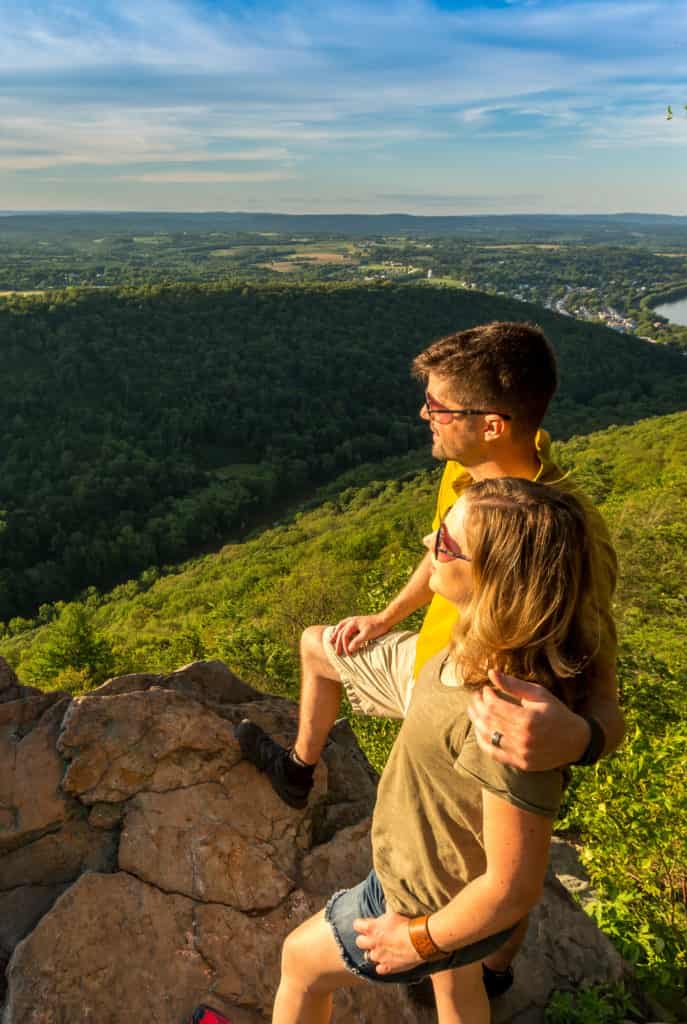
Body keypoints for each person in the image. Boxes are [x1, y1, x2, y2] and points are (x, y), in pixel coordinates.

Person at [236, 321, 622, 997]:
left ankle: (478, 968)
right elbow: (437, 549)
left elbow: (601, 687)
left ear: (495, 423)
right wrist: (384, 618)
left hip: (482, 702)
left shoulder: (562, 532)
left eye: (440, 408)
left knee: (480, 871)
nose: (425, 416)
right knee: (318, 646)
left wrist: (581, 738)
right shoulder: (471, 470)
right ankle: (301, 772)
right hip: (433, 668)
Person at [267, 477, 608, 1024]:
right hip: (450, 893)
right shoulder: (488, 643)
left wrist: (418, 941)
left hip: (417, 904)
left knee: (300, 965)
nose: (428, 544)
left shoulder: (501, 713)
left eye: (446, 544)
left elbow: (512, 888)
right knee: (457, 978)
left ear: (494, 580)